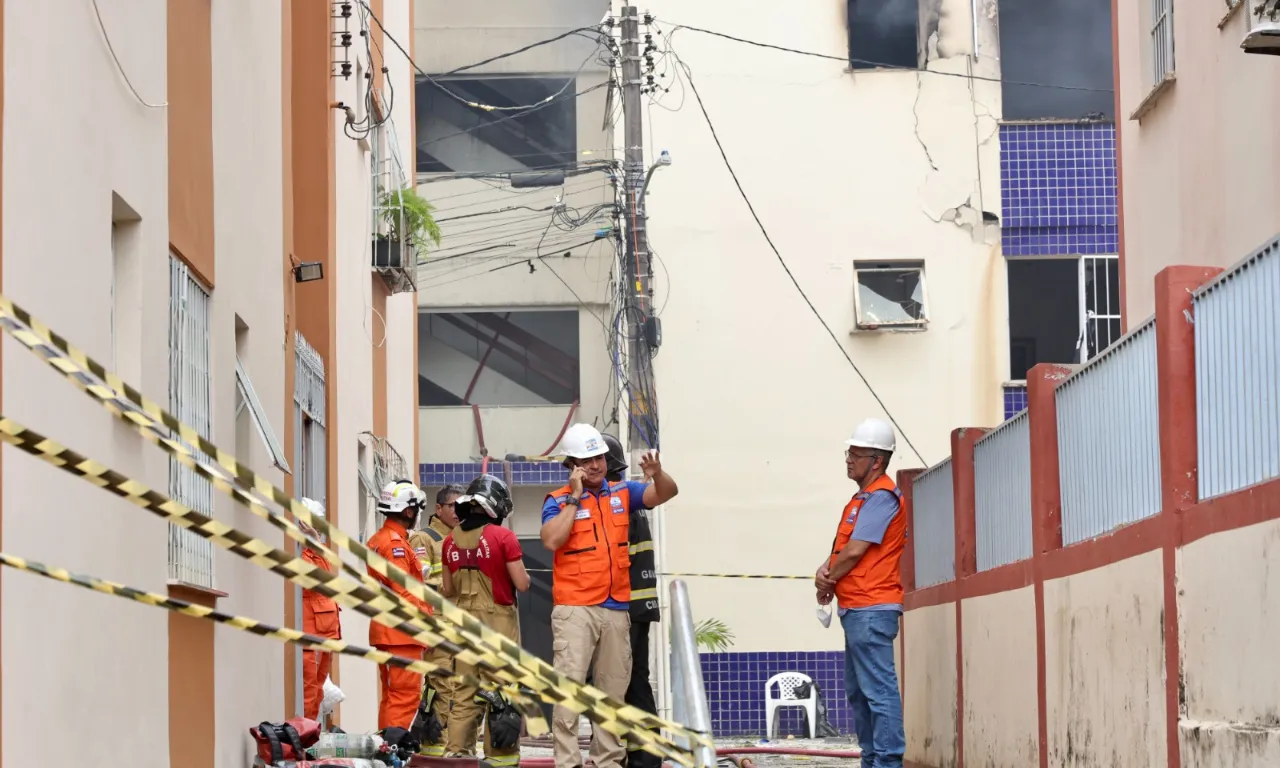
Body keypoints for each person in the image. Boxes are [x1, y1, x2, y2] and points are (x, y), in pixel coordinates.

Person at [541, 424, 679, 768]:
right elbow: (551, 540)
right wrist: (575, 497)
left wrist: (657, 474)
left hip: (616, 609)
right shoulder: (557, 500)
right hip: (575, 610)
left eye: (599, 457)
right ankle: (569, 762)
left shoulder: (622, 493)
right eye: (587, 460)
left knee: (613, 693)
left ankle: (607, 761)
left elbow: (666, 493)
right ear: (572, 464)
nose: (597, 465)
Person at [815, 418, 907, 768]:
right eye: (849, 452)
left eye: (856, 453)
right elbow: (843, 549)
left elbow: (855, 552)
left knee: (878, 693)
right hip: (857, 608)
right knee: (860, 695)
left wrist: (828, 580)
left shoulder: (882, 497)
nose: (849, 459)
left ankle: (886, 762)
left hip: (872, 607)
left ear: (877, 461)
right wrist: (826, 574)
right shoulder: (862, 499)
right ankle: (872, 760)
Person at [439, 474, 530, 766]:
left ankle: (457, 753)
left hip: (463, 623)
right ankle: (500, 758)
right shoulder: (504, 537)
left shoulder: (450, 540)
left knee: (464, 690)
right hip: (498, 623)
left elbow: (448, 589)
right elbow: (523, 584)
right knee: (500, 689)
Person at [601, 434, 663, 768]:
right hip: (635, 608)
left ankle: (644, 757)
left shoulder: (616, 504)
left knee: (628, 684)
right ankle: (639, 754)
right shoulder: (625, 501)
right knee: (632, 682)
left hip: (625, 609)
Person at [368, 478, 434, 731]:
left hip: (387, 630)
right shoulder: (395, 543)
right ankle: (394, 751)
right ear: (408, 511)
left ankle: (387, 748)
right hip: (402, 634)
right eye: (416, 508)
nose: (417, 514)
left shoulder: (381, 538)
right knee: (404, 698)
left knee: (391, 696)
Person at [409, 483, 465, 756]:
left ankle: (458, 743)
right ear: (439, 508)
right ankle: (437, 743)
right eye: (452, 506)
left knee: (462, 687)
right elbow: (417, 583)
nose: (457, 511)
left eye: (461, 506)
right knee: (441, 685)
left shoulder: (464, 537)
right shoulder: (424, 539)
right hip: (438, 624)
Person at [298, 497, 342, 721]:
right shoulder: (303, 553)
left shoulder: (314, 551)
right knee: (309, 693)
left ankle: (310, 737)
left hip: (323, 632)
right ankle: (305, 739)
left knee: (316, 691)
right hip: (312, 632)